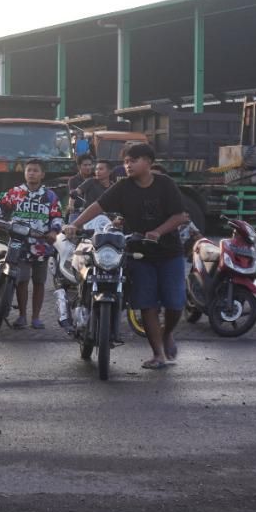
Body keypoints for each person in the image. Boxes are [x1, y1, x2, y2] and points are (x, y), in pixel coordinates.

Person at [64, 143, 189, 370]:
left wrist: (158, 232)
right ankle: (158, 355)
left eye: (133, 160)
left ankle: (167, 332)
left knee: (175, 303)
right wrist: (74, 224)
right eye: (125, 161)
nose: (128, 165)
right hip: (138, 254)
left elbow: (180, 216)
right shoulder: (123, 187)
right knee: (147, 305)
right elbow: (98, 206)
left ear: (148, 162)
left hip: (170, 253)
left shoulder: (165, 184)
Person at [0, 159, 63, 330]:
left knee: (39, 282)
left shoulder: (50, 196)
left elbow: (57, 216)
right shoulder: (15, 193)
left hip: (42, 245)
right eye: (29, 170)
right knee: (21, 281)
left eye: (36, 170)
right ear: (24, 173)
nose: (32, 173)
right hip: (18, 244)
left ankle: (36, 317)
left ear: (42, 174)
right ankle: (22, 316)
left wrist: (54, 230)